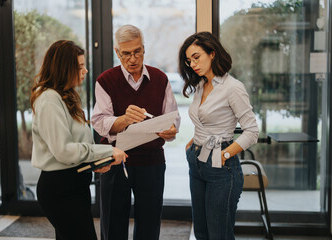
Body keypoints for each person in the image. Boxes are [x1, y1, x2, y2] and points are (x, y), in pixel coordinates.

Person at [30, 40, 127, 240]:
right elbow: (64, 151)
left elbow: (77, 144)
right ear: (64, 68)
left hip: (75, 184)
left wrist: (93, 162)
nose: (85, 71)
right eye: (80, 66)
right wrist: (108, 152)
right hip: (60, 189)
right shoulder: (49, 100)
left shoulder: (66, 97)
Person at [91, 24, 181, 240]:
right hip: (115, 162)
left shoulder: (160, 79)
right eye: (126, 54)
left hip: (152, 162)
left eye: (137, 51)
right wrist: (123, 120)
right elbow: (99, 121)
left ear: (143, 48)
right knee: (113, 224)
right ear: (117, 52)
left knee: (149, 225)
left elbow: (173, 116)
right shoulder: (105, 80)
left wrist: (172, 131)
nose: (132, 59)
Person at [178, 32, 259, 240]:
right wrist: (192, 145)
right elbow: (202, 122)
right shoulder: (200, 85)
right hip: (196, 162)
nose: (192, 64)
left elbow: (252, 131)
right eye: (189, 60)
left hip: (221, 169)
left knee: (219, 235)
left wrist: (224, 154)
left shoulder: (233, 88)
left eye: (197, 57)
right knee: (201, 233)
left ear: (212, 53)